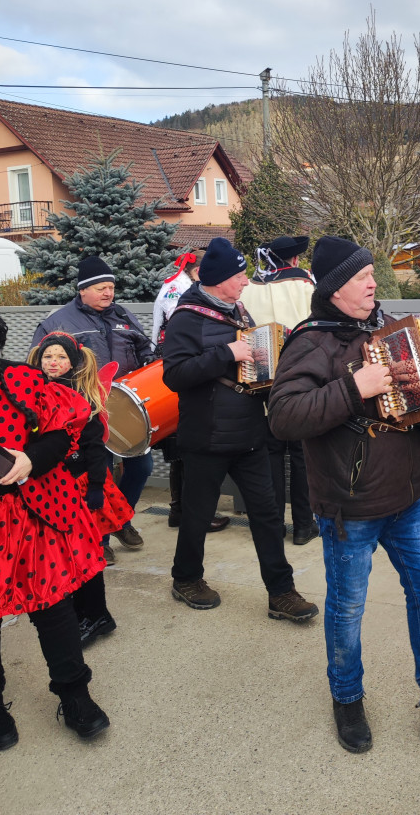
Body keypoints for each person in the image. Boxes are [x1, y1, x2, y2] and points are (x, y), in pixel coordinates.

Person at [267, 235, 420, 754]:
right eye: (361, 277)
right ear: (334, 288)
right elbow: (283, 417)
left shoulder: (392, 330)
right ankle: (347, 699)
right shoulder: (309, 343)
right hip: (349, 507)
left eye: (372, 273)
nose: (373, 283)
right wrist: (355, 387)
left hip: (408, 496)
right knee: (348, 609)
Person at [161, 236, 318, 623]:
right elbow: (174, 375)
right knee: (197, 516)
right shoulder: (185, 318)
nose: (246, 281)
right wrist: (226, 354)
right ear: (218, 280)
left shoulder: (240, 311)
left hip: (250, 434)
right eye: (239, 276)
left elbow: (247, 368)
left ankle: (281, 592)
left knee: (267, 516)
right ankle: (186, 578)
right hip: (206, 437)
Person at [0, 301, 109, 752]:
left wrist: (31, 459)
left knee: (53, 608)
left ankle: (75, 695)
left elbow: (62, 432)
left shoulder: (23, 378)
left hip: (31, 512)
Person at [30, 255, 156, 561]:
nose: (108, 293)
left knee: (142, 467)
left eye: (111, 287)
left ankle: (120, 520)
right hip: (84, 412)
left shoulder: (124, 315)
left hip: (125, 409)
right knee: (98, 473)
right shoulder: (57, 322)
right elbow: (38, 367)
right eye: (101, 288)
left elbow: (145, 351)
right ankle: (99, 538)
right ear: (82, 290)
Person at [27, 332, 132, 647]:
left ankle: (96, 615)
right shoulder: (31, 394)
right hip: (48, 487)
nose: (53, 362)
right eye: (48, 356)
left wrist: (96, 486)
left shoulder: (81, 398)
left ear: (73, 363)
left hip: (79, 488)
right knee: (63, 555)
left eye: (61, 357)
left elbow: (96, 449)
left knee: (84, 555)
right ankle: (79, 613)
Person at [239, 234, 318, 545]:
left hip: (261, 378)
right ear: (295, 259)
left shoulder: (249, 288)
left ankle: (272, 525)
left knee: (270, 454)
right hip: (301, 378)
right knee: (302, 455)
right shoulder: (306, 286)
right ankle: (304, 525)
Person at [152, 249, 229, 534]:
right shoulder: (183, 292)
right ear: (198, 271)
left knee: (179, 449)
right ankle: (189, 513)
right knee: (184, 448)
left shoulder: (174, 286)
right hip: (179, 365)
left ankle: (179, 509)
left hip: (166, 361)